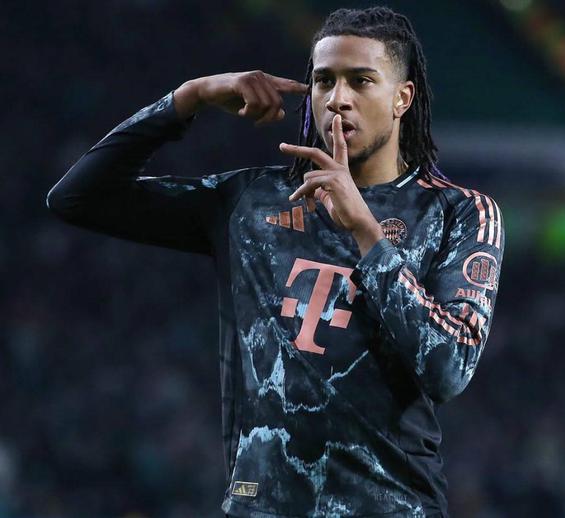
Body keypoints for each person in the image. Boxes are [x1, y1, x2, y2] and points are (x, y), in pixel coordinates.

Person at [46, 6, 505, 517]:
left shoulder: (459, 212)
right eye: (324, 81)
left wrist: (366, 231)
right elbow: (77, 199)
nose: (338, 99)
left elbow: (449, 369)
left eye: (361, 81)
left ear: (403, 98)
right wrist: (189, 97)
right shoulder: (252, 202)